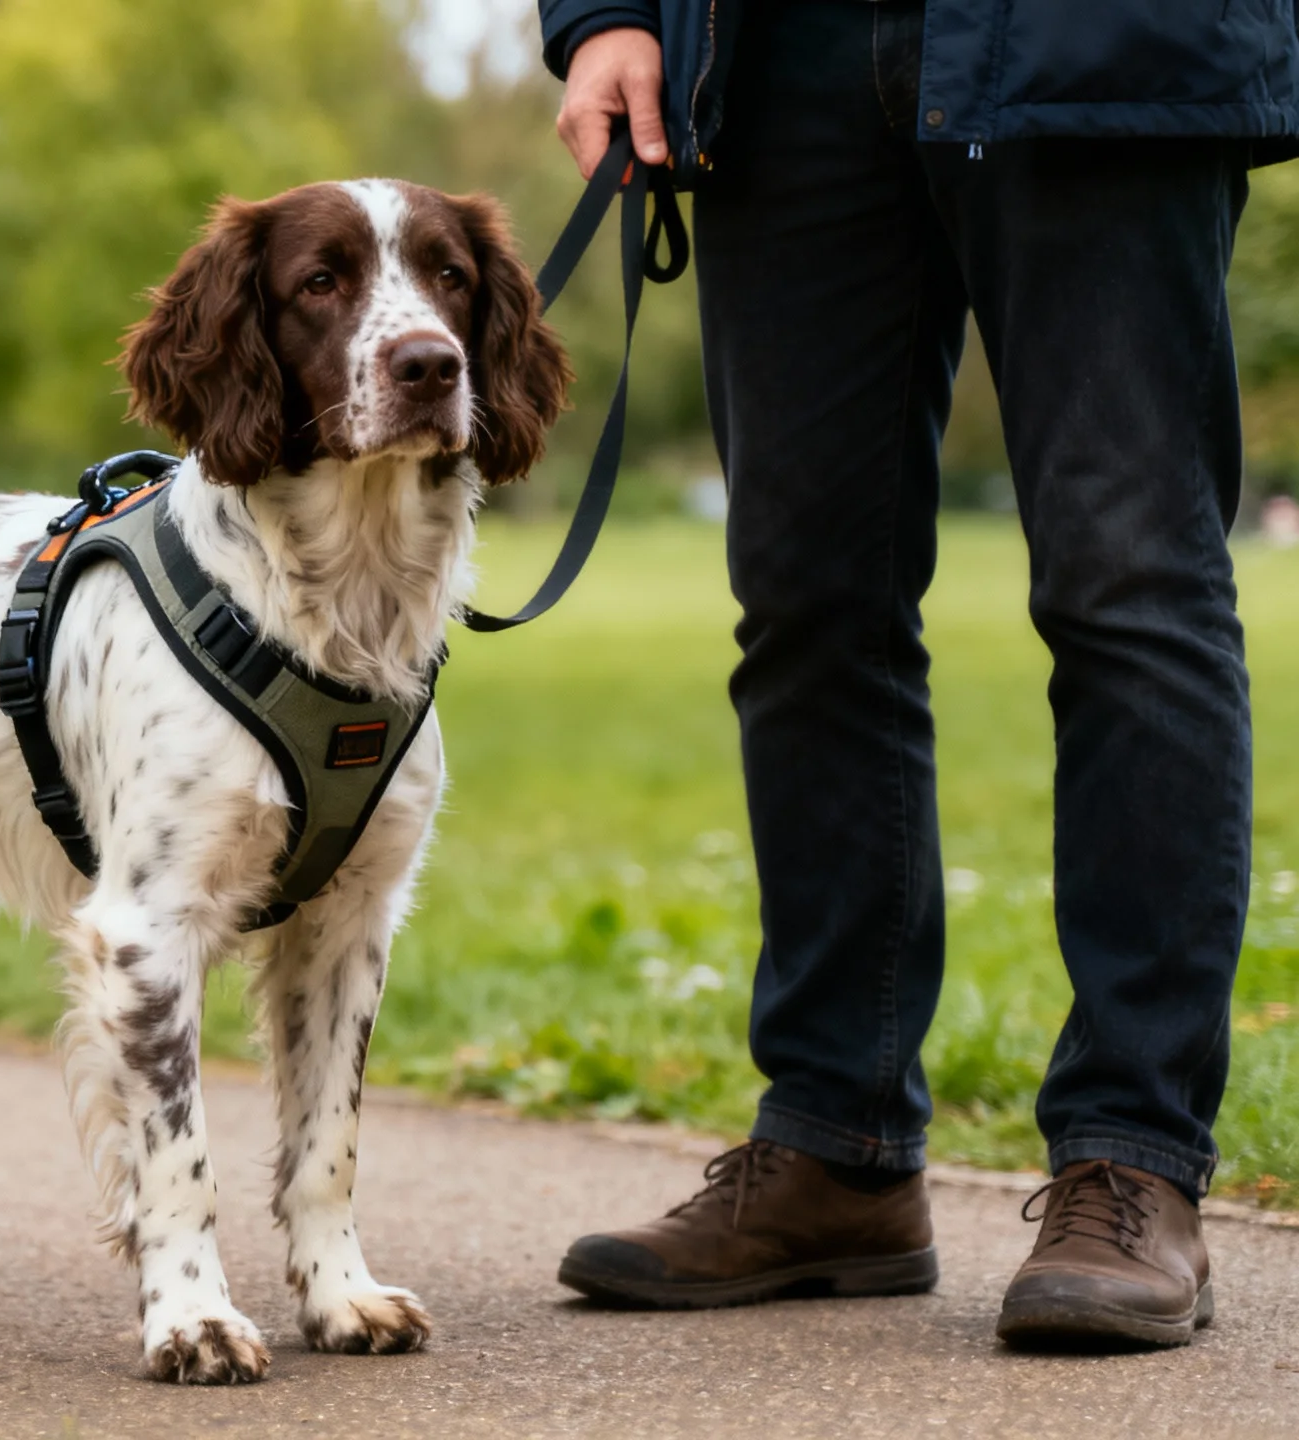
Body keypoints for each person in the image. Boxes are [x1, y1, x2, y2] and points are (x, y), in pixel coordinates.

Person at [533, 0, 1299, 1348]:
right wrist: (603, 10)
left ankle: (1135, 1159)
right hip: (780, 52)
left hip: (1098, 35)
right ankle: (839, 1145)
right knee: (805, 602)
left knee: (1129, 586)